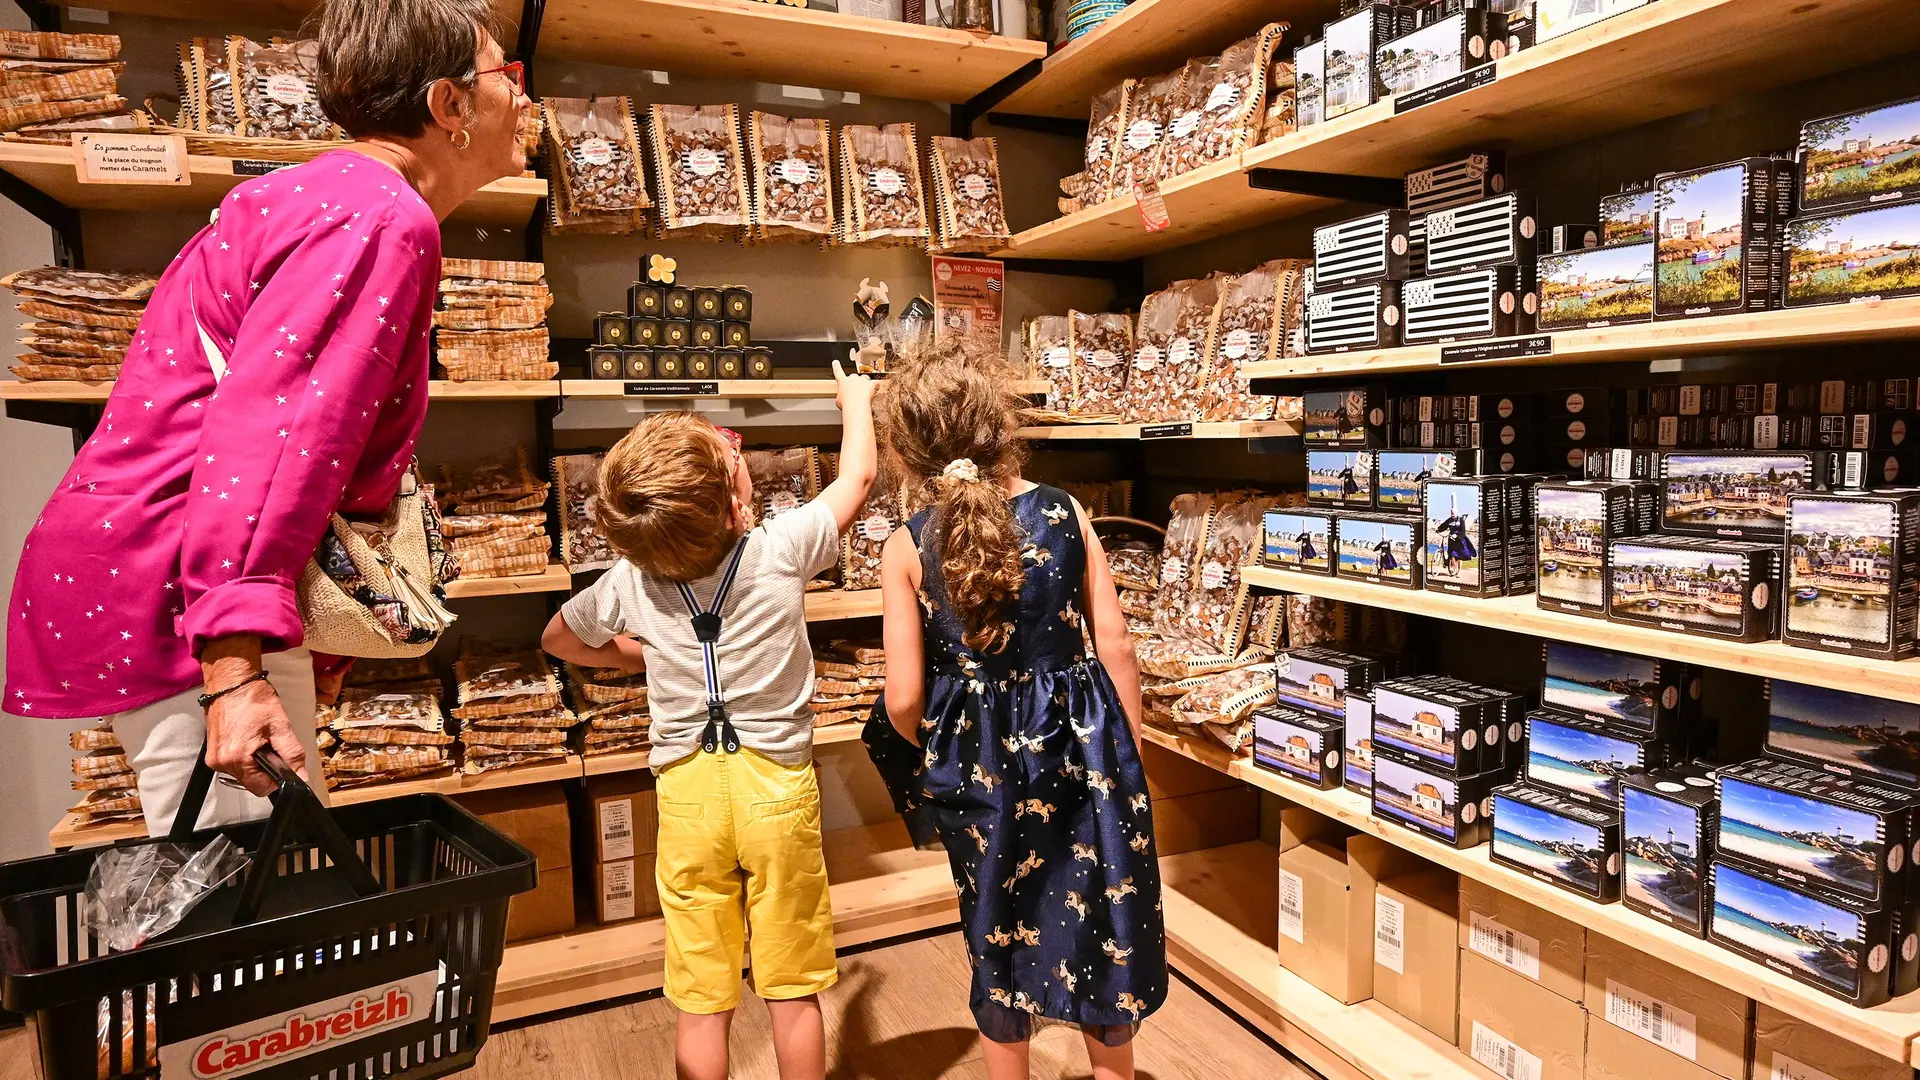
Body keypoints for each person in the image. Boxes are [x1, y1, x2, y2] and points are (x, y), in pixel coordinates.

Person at [0, 0, 531, 831]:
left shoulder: (322, 194)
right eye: (510, 76)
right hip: (185, 586)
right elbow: (277, 440)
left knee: (241, 893)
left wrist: (295, 629)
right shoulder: (381, 216)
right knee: (245, 908)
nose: (525, 101)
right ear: (449, 106)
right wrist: (236, 659)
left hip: (173, 568)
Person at [540, 361, 876, 1080]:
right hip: (778, 791)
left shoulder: (628, 579)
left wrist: (642, 655)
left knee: (701, 994)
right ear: (733, 507)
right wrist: (855, 403)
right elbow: (858, 483)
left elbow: (559, 640)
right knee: (793, 989)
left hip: (687, 794)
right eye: (734, 466)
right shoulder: (781, 548)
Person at [865, 345, 1166, 1080]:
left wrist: (941, 745)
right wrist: (1126, 756)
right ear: (1001, 423)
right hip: (1084, 749)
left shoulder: (906, 547)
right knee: (1100, 913)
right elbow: (1116, 643)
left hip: (981, 766)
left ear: (905, 453)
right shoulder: (1064, 510)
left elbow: (902, 698)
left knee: (996, 926)